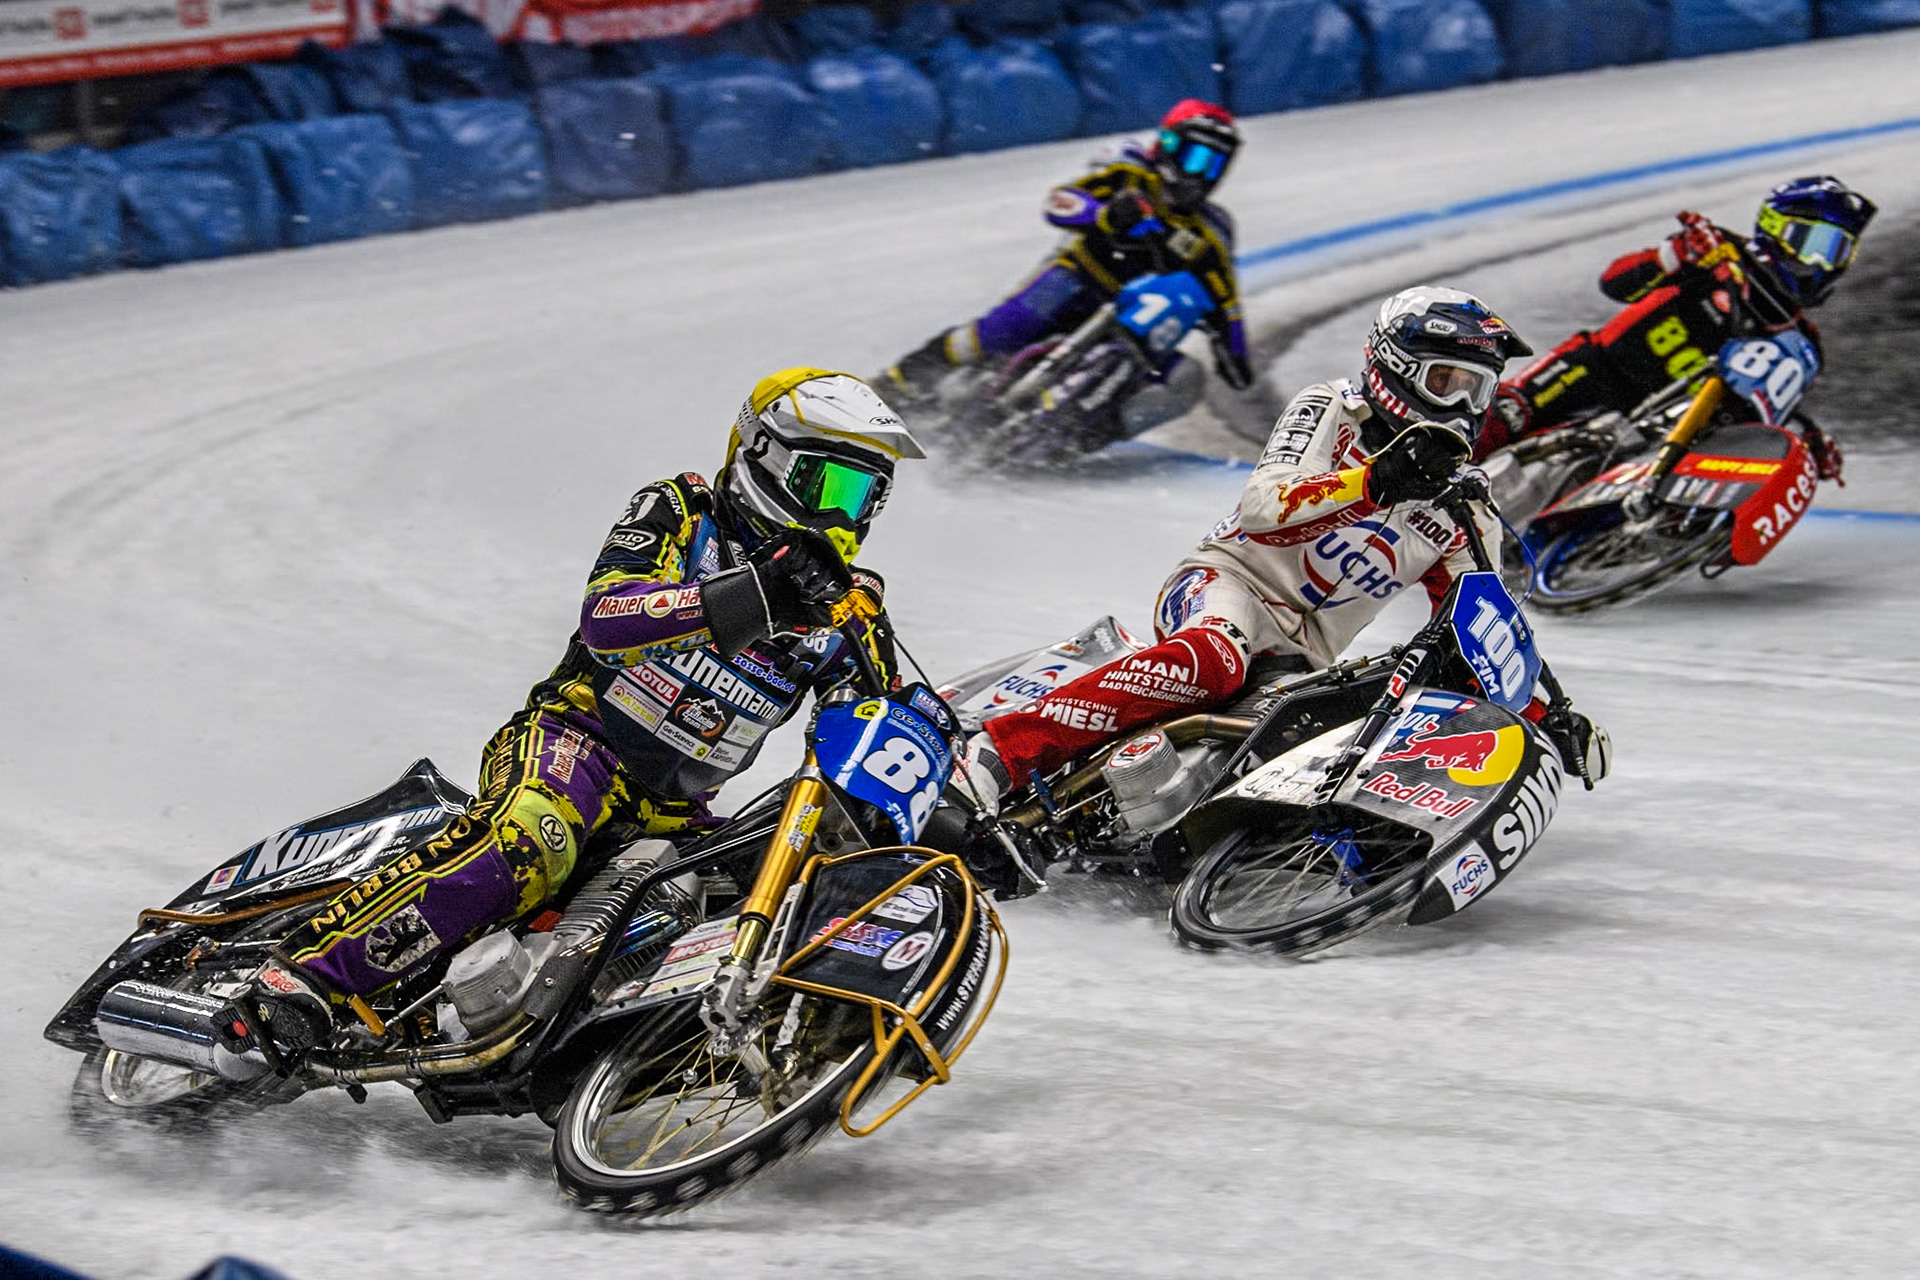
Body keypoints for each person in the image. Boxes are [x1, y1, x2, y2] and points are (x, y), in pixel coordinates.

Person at [240, 369, 924, 1056]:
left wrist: (965, 810)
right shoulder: (682, 512)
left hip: (677, 813)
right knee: (537, 833)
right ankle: (306, 977)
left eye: (865, 497)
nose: (843, 518)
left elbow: (869, 735)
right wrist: (753, 596)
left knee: (764, 894)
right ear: (764, 454)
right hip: (576, 742)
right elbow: (608, 619)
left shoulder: (848, 610)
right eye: (830, 487)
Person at [958, 286, 1606, 834]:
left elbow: (1480, 622)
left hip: (1306, 654)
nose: (1466, 407)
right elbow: (1265, 508)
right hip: (1227, 580)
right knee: (1216, 661)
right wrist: (1376, 482)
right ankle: (1001, 752)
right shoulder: (1331, 409)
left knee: (1327, 739)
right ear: (1395, 367)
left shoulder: (1467, 503)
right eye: (1448, 382)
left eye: (1478, 390)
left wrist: (1546, 713)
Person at [1481, 175, 1877, 480]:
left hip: (1659, 427)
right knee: (1499, 419)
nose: (1820, 264)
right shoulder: (1716, 247)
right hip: (1598, 366)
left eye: (1836, 252)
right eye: (1812, 244)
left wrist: (1803, 442)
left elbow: (1760, 413)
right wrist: (1674, 255)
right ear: (1774, 228)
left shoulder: (1802, 342)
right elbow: (1615, 283)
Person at [880, 99, 1254, 407]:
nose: (1202, 175)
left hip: (1138, 318)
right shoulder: (1128, 170)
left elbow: (1227, 299)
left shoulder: (1212, 231)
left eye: (1215, 164)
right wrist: (1105, 215)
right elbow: (1060, 202)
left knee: (1183, 380)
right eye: (1195, 158)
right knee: (996, 334)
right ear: (1168, 145)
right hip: (1076, 278)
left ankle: (1088, 434)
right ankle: (897, 384)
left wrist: (1232, 351)